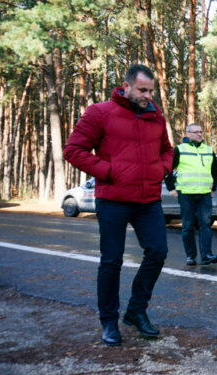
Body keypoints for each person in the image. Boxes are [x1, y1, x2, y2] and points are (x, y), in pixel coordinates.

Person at [63, 64, 174, 346]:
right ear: (125, 86)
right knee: (112, 261)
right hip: (113, 199)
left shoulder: (155, 114)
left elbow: (167, 149)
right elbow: (73, 150)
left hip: (147, 199)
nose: (148, 95)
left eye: (151, 90)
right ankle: (109, 322)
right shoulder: (100, 113)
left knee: (158, 251)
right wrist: (109, 171)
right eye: (142, 90)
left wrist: (162, 168)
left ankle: (136, 311)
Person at [164, 123, 217, 266]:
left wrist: (213, 188)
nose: (200, 134)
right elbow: (168, 170)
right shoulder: (180, 149)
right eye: (196, 132)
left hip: (204, 194)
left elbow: (215, 170)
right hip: (186, 193)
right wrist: (171, 188)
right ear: (188, 134)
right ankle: (190, 256)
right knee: (188, 225)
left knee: (206, 224)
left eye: (201, 131)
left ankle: (207, 255)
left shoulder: (208, 150)